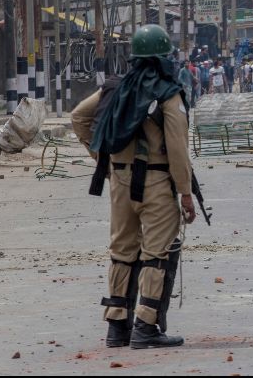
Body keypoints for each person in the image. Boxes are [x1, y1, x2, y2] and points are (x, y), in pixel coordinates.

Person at [71, 24, 196, 349]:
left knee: (122, 252)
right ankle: (145, 327)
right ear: (164, 58)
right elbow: (178, 149)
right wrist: (185, 193)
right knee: (156, 255)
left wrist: (104, 158)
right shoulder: (169, 94)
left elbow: (78, 118)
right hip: (156, 184)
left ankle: (116, 327)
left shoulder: (114, 88)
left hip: (120, 183)